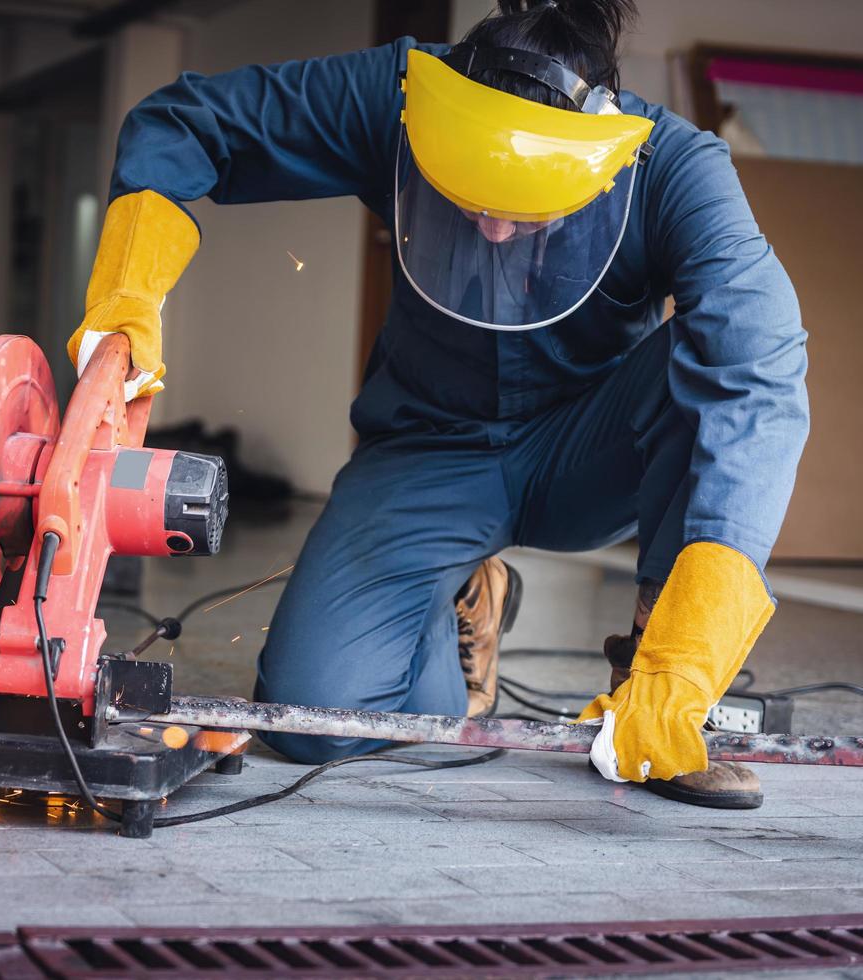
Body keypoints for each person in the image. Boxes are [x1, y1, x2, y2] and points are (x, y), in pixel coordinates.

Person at [67, 0, 808, 809]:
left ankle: (649, 676)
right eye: (468, 192)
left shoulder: (671, 164)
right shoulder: (398, 92)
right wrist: (127, 301)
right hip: (429, 449)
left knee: (710, 363)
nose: (490, 229)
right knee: (316, 719)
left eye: (519, 204)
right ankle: (457, 588)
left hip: (591, 449)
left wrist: (686, 663)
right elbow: (185, 119)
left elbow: (756, 370)